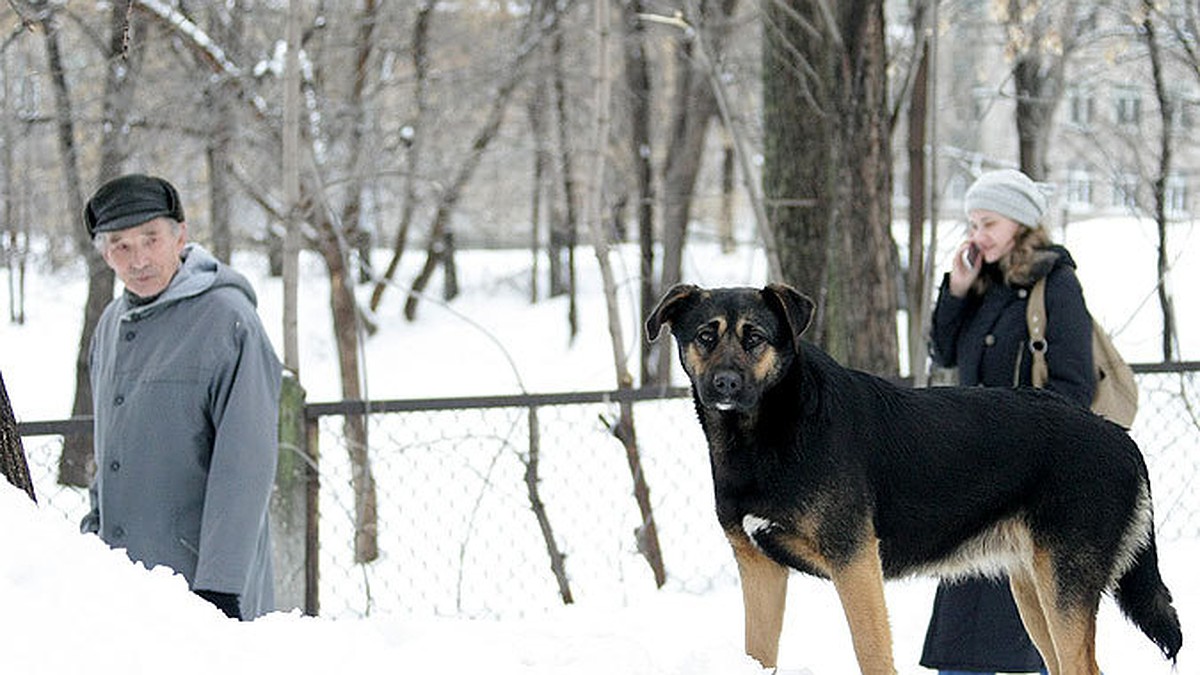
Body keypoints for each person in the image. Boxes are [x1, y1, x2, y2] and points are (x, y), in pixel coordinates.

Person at [79, 173, 282, 621]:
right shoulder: (111, 326)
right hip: (124, 583)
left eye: (150, 239)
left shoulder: (229, 321)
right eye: (121, 246)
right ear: (105, 254)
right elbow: (110, 448)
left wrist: (220, 588)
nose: (138, 260)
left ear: (180, 235)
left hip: (201, 589)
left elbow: (244, 468)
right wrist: (93, 538)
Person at [920, 168, 1095, 674]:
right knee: (961, 633)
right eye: (972, 223)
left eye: (988, 223)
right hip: (973, 482)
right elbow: (943, 349)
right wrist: (955, 290)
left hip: (1029, 486)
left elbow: (1074, 389)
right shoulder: (984, 284)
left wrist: (1015, 443)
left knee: (1029, 631)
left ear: (1020, 223)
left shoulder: (1056, 286)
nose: (977, 235)